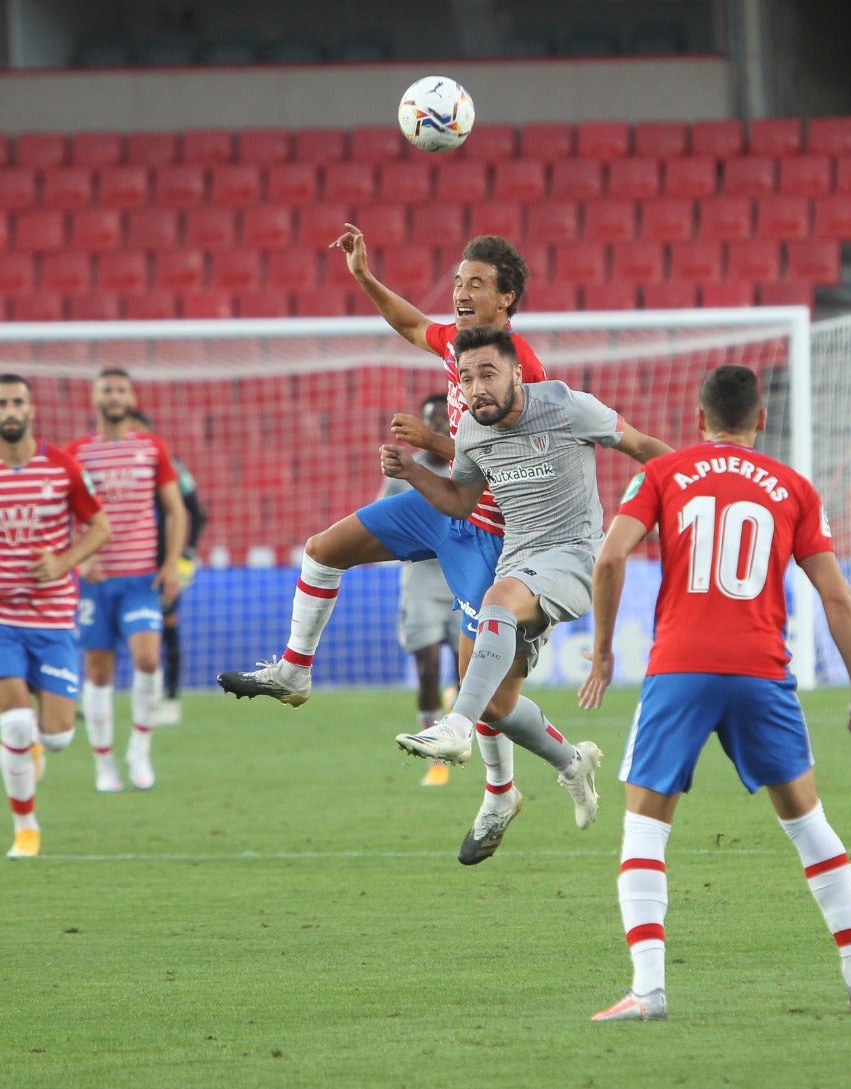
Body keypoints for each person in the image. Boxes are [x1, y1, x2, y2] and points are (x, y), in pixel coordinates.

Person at [218, 228, 591, 823]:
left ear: (508, 298)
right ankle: (294, 669)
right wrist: (364, 277)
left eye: (477, 284)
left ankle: (515, 789)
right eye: (458, 283)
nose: (462, 293)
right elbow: (413, 325)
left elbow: (515, 464)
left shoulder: (527, 372)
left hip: (494, 532)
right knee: (323, 550)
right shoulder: (458, 345)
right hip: (441, 505)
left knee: (489, 697)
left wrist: (431, 441)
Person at [577, 363, 851, 1022]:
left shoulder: (663, 473)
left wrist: (603, 649)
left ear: (698, 418)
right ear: (761, 421)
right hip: (760, 668)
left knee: (644, 826)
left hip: (681, 668)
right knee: (808, 823)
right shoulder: (794, 487)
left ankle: (649, 987)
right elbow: (837, 593)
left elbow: (609, 558)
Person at [382, 325, 672, 864]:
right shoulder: (471, 429)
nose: (476, 388)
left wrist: (692, 485)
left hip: (574, 558)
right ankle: (570, 762)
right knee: (496, 701)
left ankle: (455, 729)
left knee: (496, 604)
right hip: (518, 559)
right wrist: (413, 474)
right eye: (466, 378)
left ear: (519, 373)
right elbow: (462, 500)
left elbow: (641, 446)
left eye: (488, 374)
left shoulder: (565, 406)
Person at [0, 374, 112, 858]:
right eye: (1, 403)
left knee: (55, 738)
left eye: (18, 402)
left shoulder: (63, 469)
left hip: (53, 617)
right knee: (13, 725)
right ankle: (25, 829)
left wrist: (64, 562)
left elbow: (100, 527)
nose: (10, 410)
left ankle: (36, 749)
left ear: (32, 411)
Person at [64, 369, 188, 792]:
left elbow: (177, 510)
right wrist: (78, 560)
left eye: (120, 389)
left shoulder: (152, 448)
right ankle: (104, 765)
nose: (114, 396)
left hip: (140, 580)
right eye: (106, 390)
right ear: (94, 397)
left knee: (148, 659)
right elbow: (57, 514)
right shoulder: (76, 452)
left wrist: (171, 564)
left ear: (131, 397)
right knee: (98, 673)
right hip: (96, 584)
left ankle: (139, 748)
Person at [379, 392, 460, 787]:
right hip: (421, 586)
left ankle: (454, 706)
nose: (441, 426)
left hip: (463, 582)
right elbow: (381, 524)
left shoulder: (471, 468)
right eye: (433, 420)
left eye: (446, 420)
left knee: (469, 672)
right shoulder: (403, 472)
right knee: (426, 666)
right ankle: (434, 758)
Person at [131, 409, 207, 728]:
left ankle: (171, 699)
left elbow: (197, 514)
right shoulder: (109, 471)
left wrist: (184, 554)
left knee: (167, 628)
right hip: (126, 563)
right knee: (133, 633)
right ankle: (145, 699)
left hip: (163, 564)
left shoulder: (170, 468)